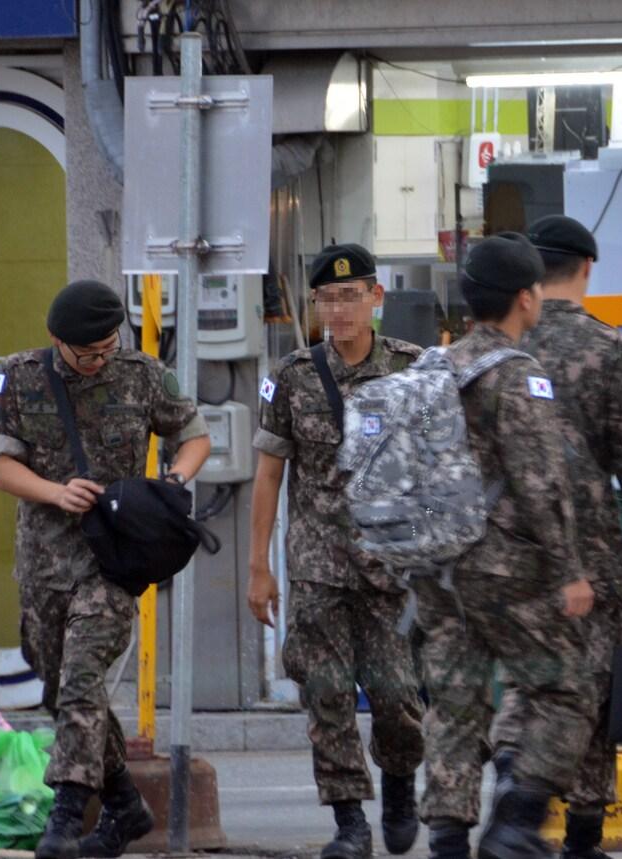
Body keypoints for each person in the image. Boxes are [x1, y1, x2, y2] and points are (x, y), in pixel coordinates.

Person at [0, 280, 211, 859]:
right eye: (89, 353)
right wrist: (57, 493)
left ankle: (64, 816)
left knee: (83, 678)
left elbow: (195, 436)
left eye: (109, 346)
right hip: (44, 561)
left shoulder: (143, 373)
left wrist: (172, 483)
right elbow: (1, 468)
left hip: (114, 559)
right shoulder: (18, 376)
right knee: (63, 690)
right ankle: (125, 804)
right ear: (58, 341)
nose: (100, 359)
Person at [489, 215, 622, 859]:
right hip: (590, 554)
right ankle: (582, 835)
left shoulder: (500, 345)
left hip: (507, 549)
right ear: (587, 269)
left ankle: (513, 771)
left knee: (527, 677)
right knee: (593, 690)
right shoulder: (606, 349)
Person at [416, 233, 596, 859]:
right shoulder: (519, 376)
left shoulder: (430, 367)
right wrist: (569, 570)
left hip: (435, 567)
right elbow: (542, 483)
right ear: (526, 298)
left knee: (455, 702)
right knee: (567, 687)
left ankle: (446, 840)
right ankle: (517, 820)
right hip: (504, 569)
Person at [249, 245, 425, 859]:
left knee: (398, 696)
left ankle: (400, 782)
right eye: (328, 298)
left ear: (376, 298)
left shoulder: (413, 368)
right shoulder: (293, 375)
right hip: (318, 565)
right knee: (326, 696)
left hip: (390, 569)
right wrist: (258, 567)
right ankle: (350, 821)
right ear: (315, 305)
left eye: (352, 296)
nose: (340, 310)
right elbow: (268, 474)